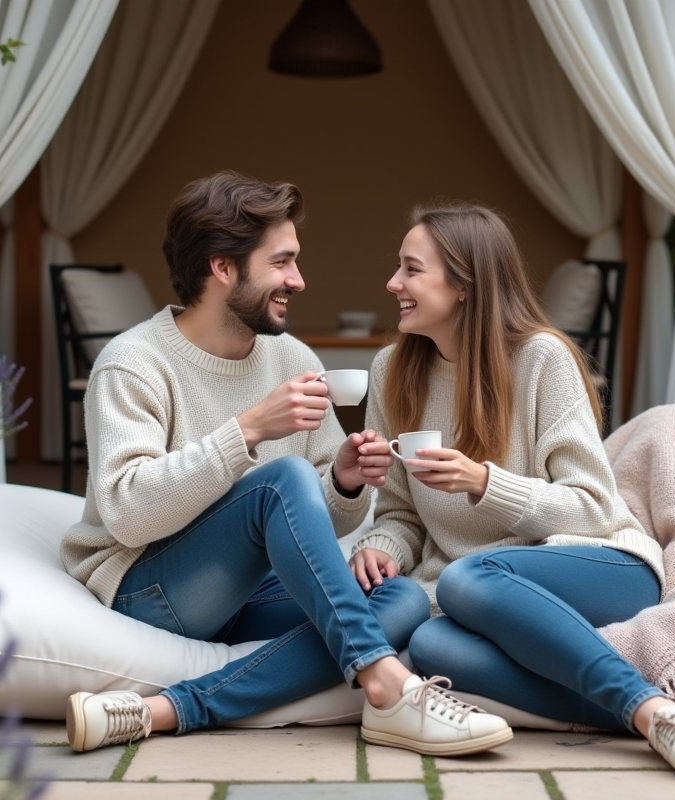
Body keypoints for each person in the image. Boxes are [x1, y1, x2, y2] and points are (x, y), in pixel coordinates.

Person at [59, 172, 512, 757]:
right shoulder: (133, 363)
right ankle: (386, 685)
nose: (298, 280)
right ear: (223, 268)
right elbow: (126, 515)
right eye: (282, 263)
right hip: (149, 588)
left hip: (246, 590)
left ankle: (158, 712)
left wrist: (345, 481)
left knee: (398, 598)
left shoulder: (290, 356)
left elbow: (317, 521)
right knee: (282, 480)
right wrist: (246, 432)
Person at [347, 203, 675, 778]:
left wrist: (484, 483)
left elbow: (594, 507)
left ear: (464, 282)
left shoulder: (541, 359)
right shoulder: (392, 370)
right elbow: (400, 513)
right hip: (485, 589)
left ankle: (652, 708)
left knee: (468, 578)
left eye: (411, 269)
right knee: (431, 646)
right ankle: (669, 713)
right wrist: (385, 549)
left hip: (600, 565)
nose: (393, 283)